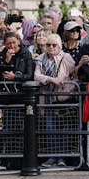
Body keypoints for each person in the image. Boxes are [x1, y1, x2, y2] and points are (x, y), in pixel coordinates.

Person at [35, 33, 76, 168]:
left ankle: (62, 158)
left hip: (62, 98)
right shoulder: (41, 57)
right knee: (50, 128)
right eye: (48, 45)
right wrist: (50, 79)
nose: (51, 47)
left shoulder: (66, 57)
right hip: (47, 98)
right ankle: (52, 157)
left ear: (59, 46)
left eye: (54, 45)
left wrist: (45, 78)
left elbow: (61, 77)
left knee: (63, 128)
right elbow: (36, 75)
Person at [0, 32, 34, 99]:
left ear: (18, 41)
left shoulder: (26, 54)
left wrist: (15, 76)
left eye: (14, 42)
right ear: (5, 44)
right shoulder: (1, 55)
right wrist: (7, 61)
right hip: (4, 93)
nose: (12, 46)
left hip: (21, 92)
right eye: (8, 43)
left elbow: (29, 75)